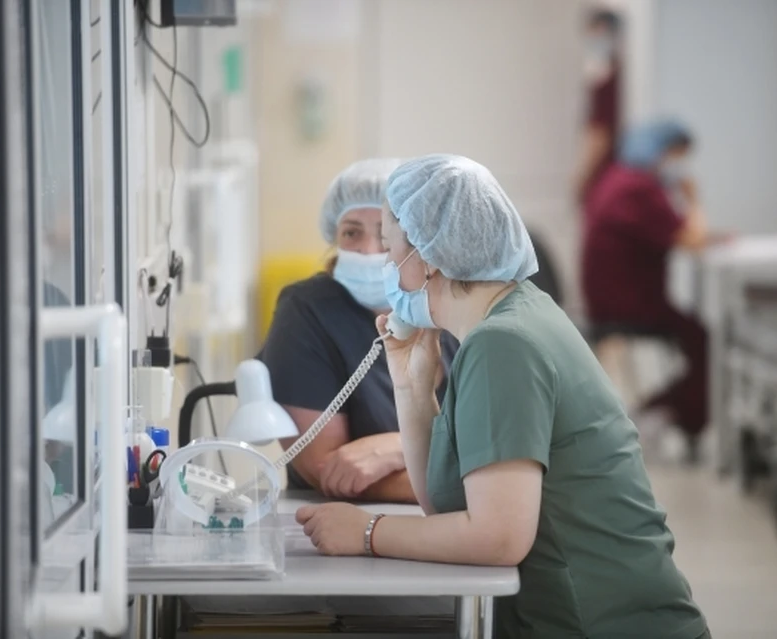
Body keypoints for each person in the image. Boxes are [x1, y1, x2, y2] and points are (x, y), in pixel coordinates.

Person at [296, 155, 710, 638]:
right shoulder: (508, 320)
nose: (385, 266)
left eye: (390, 248)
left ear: (428, 257)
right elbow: (446, 508)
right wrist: (412, 386)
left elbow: (497, 537)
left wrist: (366, 533)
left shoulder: (503, 344)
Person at [259, 158, 458, 503]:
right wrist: (469, 486)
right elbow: (329, 470)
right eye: (352, 233)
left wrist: (399, 447)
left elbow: (500, 441)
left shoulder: (447, 306)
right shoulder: (306, 312)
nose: (368, 250)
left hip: (459, 521)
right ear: (334, 237)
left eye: (384, 234)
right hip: (341, 521)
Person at [582, 118, 726, 462]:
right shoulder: (640, 189)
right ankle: (663, 413)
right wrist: (693, 199)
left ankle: (660, 410)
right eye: (678, 155)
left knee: (697, 335)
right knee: (704, 341)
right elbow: (691, 238)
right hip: (629, 302)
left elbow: (675, 234)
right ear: (662, 150)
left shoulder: (617, 178)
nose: (679, 165)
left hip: (610, 296)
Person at [573, 8, 624, 205]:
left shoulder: (606, 81)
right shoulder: (603, 75)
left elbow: (600, 135)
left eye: (599, 34)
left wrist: (583, 176)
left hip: (603, 174)